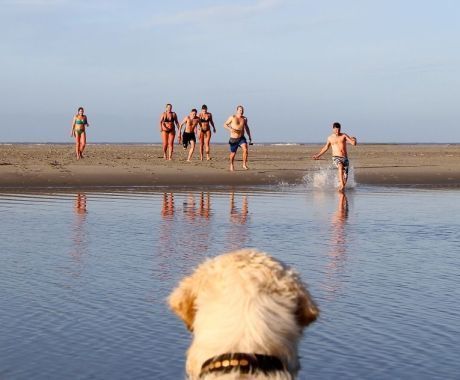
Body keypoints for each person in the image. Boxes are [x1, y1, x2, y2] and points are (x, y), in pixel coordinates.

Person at [312, 122, 357, 191]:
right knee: (340, 166)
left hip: (345, 158)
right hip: (336, 157)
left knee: (345, 179)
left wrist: (354, 140)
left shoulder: (344, 136)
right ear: (333, 129)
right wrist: (317, 155)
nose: (337, 131)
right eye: (336, 130)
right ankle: (341, 185)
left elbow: (353, 143)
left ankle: (341, 192)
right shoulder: (330, 138)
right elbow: (326, 147)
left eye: (338, 130)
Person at [223, 105, 253, 171]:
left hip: (241, 138)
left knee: (245, 149)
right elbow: (225, 124)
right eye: (240, 110)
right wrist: (230, 129)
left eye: (242, 110)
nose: (241, 111)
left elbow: (247, 128)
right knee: (233, 153)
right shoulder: (232, 117)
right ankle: (231, 164)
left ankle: (244, 164)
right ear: (237, 111)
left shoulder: (244, 119)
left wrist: (249, 136)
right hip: (234, 139)